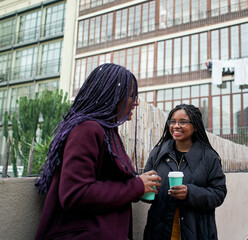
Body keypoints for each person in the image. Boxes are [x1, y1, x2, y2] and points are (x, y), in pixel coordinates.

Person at [35, 63, 161, 240]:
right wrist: (137, 186)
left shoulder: (107, 131)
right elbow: (75, 194)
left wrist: (139, 187)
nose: (136, 102)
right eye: (131, 95)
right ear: (112, 96)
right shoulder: (87, 129)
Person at [143, 104, 227, 240]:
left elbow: (219, 194)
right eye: (173, 121)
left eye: (183, 122)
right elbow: (147, 186)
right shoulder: (158, 153)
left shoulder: (209, 157)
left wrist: (190, 193)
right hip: (159, 230)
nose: (176, 126)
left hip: (196, 231)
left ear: (195, 126)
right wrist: (144, 190)